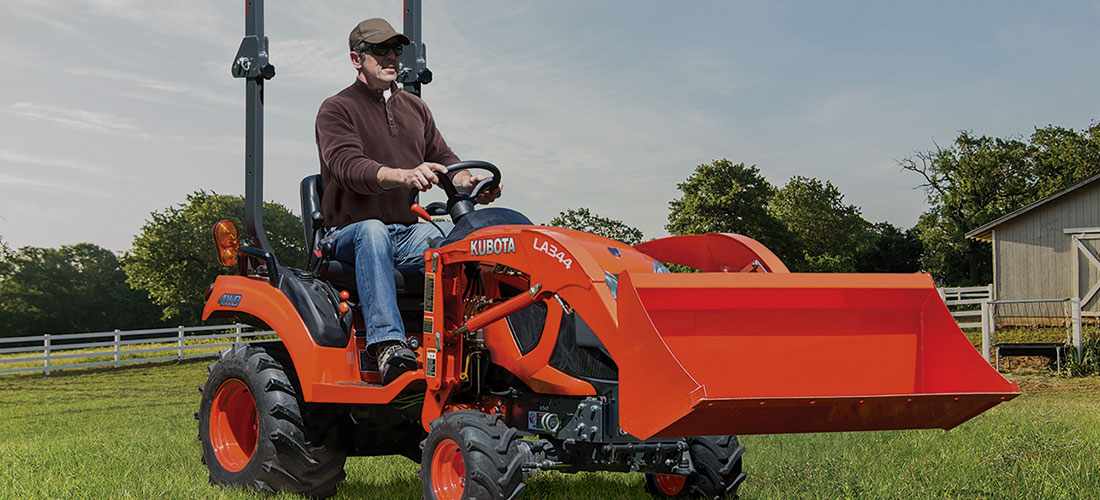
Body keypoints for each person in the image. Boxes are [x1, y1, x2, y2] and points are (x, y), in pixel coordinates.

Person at [315, 18, 501, 384]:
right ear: (357, 59)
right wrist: (402, 174)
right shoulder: (336, 109)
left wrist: (469, 182)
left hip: (404, 232)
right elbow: (348, 166)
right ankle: (388, 345)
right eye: (380, 51)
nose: (391, 58)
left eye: (396, 50)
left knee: (459, 239)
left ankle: (474, 338)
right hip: (347, 235)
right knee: (372, 232)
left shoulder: (416, 109)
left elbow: (446, 160)